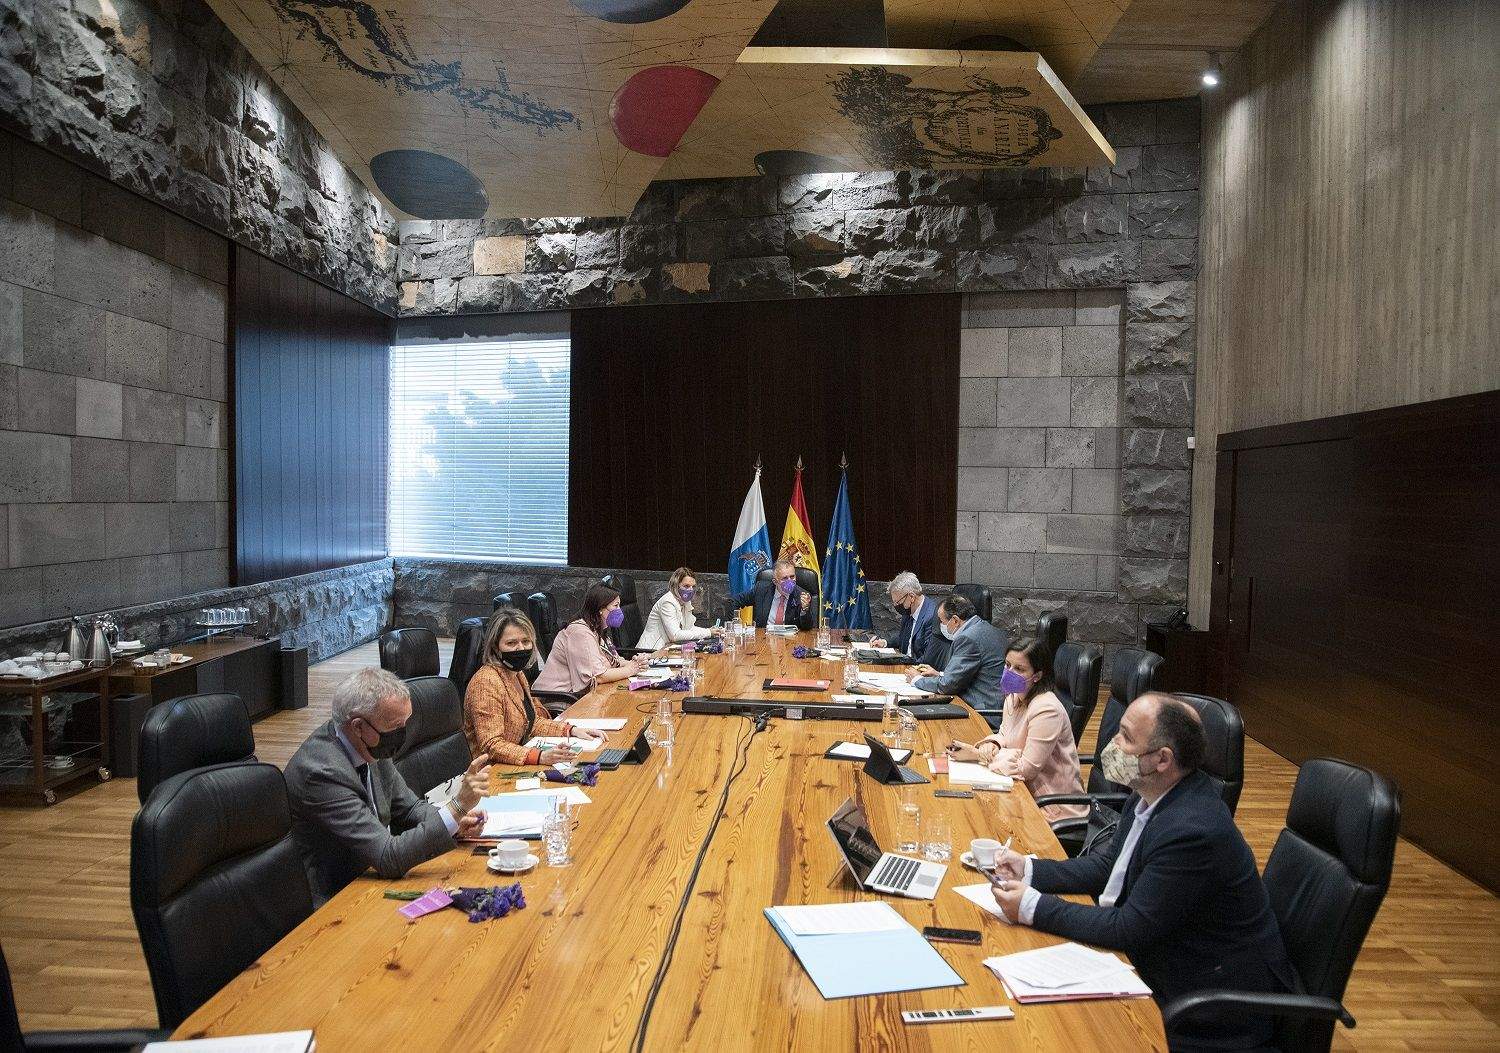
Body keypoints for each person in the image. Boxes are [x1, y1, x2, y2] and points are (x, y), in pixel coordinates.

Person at [986, 693, 1296, 1051]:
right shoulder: (1150, 791)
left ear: (1162, 759)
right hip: (1154, 962)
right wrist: (1029, 870)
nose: (1113, 744)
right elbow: (1108, 866)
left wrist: (1032, 907)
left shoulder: (1193, 831)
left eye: (1126, 738)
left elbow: (1129, 927)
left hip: (1205, 1004)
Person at [285, 667, 491, 906]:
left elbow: (410, 809)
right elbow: (386, 856)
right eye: (395, 727)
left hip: (372, 877)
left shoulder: (369, 744)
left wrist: (455, 823)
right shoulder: (321, 773)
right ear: (358, 726)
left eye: (405, 724)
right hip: (336, 898)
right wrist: (456, 807)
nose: (401, 736)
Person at [943, 636, 1086, 821]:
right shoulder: (1014, 696)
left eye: (1019, 669)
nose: (1009, 672)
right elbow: (1005, 733)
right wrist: (992, 743)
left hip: (1051, 807)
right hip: (1018, 791)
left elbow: (1027, 768)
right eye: (1007, 665)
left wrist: (978, 755)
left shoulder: (1047, 709)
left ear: (1038, 676)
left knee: (977, 818)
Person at [465, 607, 608, 766]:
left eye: (526, 641)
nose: (521, 648)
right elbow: (492, 745)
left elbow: (532, 724)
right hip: (492, 772)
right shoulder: (486, 682)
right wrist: (540, 757)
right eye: (511, 643)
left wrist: (572, 730)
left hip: (517, 761)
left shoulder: (516, 674)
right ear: (495, 646)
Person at [534, 584, 647, 695]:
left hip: (583, 696)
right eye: (615, 606)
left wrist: (635, 663)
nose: (619, 610)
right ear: (600, 609)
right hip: (560, 698)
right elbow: (598, 677)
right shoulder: (579, 633)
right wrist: (631, 669)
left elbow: (614, 661)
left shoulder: (598, 630)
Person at [906, 593, 1005, 712]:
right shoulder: (985, 628)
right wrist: (940, 674)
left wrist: (916, 680)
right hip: (993, 704)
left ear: (955, 620)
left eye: (941, 621)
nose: (940, 625)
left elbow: (948, 686)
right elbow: (968, 673)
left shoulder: (968, 638)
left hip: (981, 711)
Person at [637, 567, 721, 651]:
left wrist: (711, 631)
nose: (690, 590)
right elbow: (675, 635)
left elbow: (689, 628)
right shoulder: (668, 602)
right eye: (686, 586)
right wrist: (708, 633)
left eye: (693, 586)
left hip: (667, 649)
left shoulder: (684, 602)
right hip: (651, 651)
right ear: (676, 585)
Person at [870, 572, 941, 662]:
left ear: (911, 597)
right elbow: (905, 638)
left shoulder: (932, 616)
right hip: (904, 663)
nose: (896, 606)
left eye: (898, 602)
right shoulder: (908, 610)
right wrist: (884, 642)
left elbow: (928, 657)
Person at [728, 558, 816, 630]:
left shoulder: (803, 596)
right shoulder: (761, 590)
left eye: (792, 577)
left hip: (790, 641)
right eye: (785, 578)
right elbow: (733, 601)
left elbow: (807, 628)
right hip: (763, 639)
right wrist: (735, 626)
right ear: (775, 581)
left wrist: (805, 610)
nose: (790, 581)